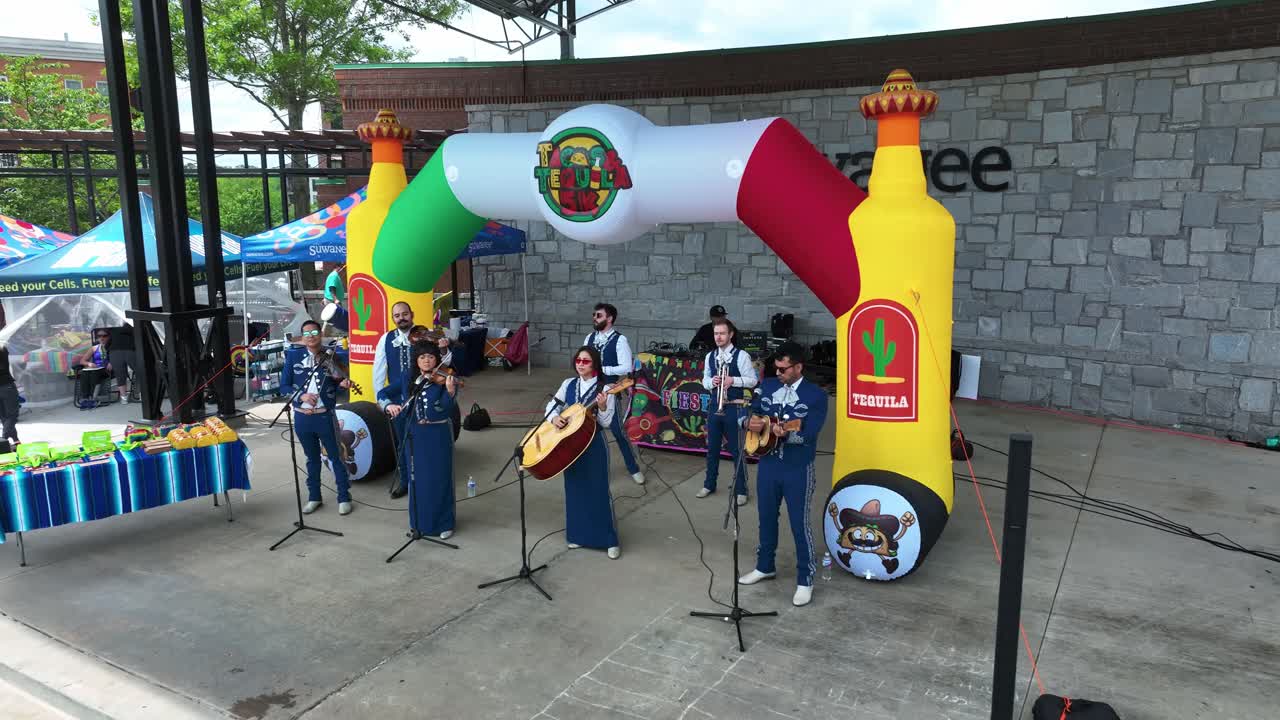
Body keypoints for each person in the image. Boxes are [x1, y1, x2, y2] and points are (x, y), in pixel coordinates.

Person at [737, 342, 828, 607]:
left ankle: (805, 579)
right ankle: (765, 566)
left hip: (798, 468)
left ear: (798, 367)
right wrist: (747, 421)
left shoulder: (816, 396)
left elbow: (810, 433)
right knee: (766, 517)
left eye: (783, 369)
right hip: (768, 465)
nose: (778, 373)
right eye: (775, 368)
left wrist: (788, 433)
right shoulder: (766, 386)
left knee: (799, 523)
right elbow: (744, 410)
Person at [546, 346, 621, 559]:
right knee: (575, 490)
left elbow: (606, 422)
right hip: (570, 446)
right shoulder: (568, 384)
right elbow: (553, 405)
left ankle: (609, 540)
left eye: (586, 361)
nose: (580, 364)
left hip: (594, 444)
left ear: (594, 364)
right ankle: (578, 535)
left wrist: (604, 406)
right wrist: (554, 418)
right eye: (578, 360)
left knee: (598, 491)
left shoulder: (605, 389)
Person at [280, 319, 354, 516]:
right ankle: (314, 497)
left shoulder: (332, 357)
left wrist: (343, 385)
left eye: (314, 333)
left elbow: (338, 385)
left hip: (324, 417)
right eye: (307, 334)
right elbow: (284, 387)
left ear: (320, 335)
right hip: (303, 418)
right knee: (311, 459)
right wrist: (301, 396)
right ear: (303, 338)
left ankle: (344, 497)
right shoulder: (293, 357)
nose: (311, 337)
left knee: (336, 457)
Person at [385, 342, 458, 539]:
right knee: (418, 480)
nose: (427, 360)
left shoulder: (444, 380)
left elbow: (447, 409)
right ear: (416, 361)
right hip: (415, 435)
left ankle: (444, 523)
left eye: (431, 357)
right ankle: (418, 523)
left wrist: (450, 393)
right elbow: (384, 393)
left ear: (436, 359)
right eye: (422, 357)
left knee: (440, 478)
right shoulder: (408, 379)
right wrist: (389, 405)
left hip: (437, 434)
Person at [697, 317, 758, 505]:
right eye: (716, 333)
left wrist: (733, 380)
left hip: (734, 407)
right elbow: (705, 380)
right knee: (712, 448)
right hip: (715, 405)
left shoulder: (741, 356)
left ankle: (741, 489)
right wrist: (711, 382)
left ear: (731, 334)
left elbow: (752, 380)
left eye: (722, 333)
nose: (719, 337)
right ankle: (709, 484)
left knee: (737, 450)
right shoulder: (710, 356)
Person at [583, 303, 645, 484]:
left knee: (618, 431)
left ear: (609, 319)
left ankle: (633, 468)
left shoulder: (620, 340)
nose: (595, 317)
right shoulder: (589, 337)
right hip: (589, 388)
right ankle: (591, 468)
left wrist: (601, 369)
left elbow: (626, 367)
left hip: (610, 389)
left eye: (599, 315)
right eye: (594, 314)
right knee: (588, 429)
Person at [374, 301, 416, 498]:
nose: (401, 318)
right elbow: (379, 370)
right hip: (398, 401)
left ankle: (423, 479)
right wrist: (381, 399)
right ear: (393, 319)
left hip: (420, 396)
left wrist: (443, 348)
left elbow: (445, 361)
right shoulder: (386, 339)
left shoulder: (425, 334)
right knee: (402, 443)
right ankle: (405, 481)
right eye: (397, 315)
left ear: (411, 314)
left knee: (422, 440)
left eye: (404, 314)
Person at [74, 328, 115, 405]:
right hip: (96, 369)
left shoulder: (113, 347)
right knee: (84, 373)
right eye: (99, 336)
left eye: (104, 336)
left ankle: (93, 397)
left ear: (109, 337)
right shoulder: (94, 348)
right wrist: (90, 364)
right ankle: (85, 398)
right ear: (97, 337)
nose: (102, 338)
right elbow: (82, 361)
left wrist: (112, 362)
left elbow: (118, 358)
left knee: (94, 373)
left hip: (107, 370)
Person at [0, 345, 19, 447]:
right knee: (12, 415)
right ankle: (3, 440)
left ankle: (15, 439)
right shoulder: (3, 349)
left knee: (4, 416)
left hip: (6, 386)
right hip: (6, 386)